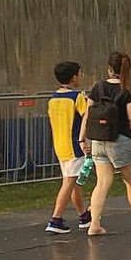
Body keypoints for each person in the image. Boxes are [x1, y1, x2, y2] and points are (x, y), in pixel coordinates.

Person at [80, 51, 131, 236]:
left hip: (98, 139)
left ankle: (94, 224)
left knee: (102, 183)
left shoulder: (98, 87)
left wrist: (83, 138)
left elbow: (88, 114)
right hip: (120, 140)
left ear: (109, 68)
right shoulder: (128, 90)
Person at [45, 60, 91, 234]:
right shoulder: (76, 97)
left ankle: (83, 216)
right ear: (74, 77)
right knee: (69, 182)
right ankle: (55, 219)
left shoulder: (53, 99)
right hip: (74, 145)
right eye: (79, 74)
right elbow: (87, 117)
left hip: (60, 144)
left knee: (73, 182)